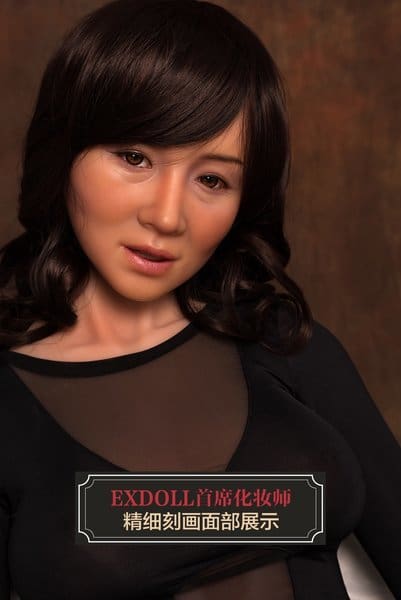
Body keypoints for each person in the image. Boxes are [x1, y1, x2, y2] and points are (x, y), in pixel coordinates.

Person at [0, 1, 400, 598]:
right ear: (64, 154)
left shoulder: (284, 343)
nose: (167, 217)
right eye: (135, 158)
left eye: (212, 179)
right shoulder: (9, 403)